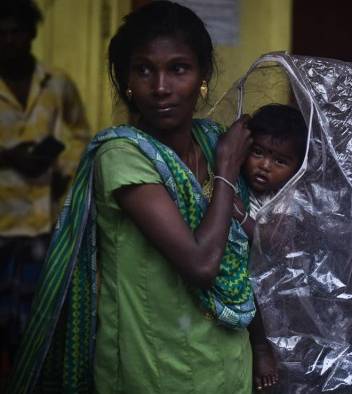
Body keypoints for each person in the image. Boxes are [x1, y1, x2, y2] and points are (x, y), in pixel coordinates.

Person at [7, 2, 276, 393]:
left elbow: (246, 256)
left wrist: (260, 343)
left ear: (202, 76)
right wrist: (226, 171)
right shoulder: (122, 156)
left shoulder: (214, 141)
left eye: (178, 69)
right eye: (144, 69)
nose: (161, 86)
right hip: (153, 367)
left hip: (227, 360)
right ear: (126, 80)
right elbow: (201, 264)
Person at [0, 0, 90, 385]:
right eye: (0, 33)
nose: (8, 40)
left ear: (32, 32)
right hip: (2, 218)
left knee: (38, 318)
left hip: (43, 217)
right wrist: (8, 156)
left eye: (16, 31)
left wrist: (61, 170)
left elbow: (80, 131)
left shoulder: (56, 82)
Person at [232, 103, 307, 238]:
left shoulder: (287, 200)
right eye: (258, 152)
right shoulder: (234, 178)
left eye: (279, 161)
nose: (265, 166)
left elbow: (275, 239)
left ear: (297, 169)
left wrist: (242, 217)